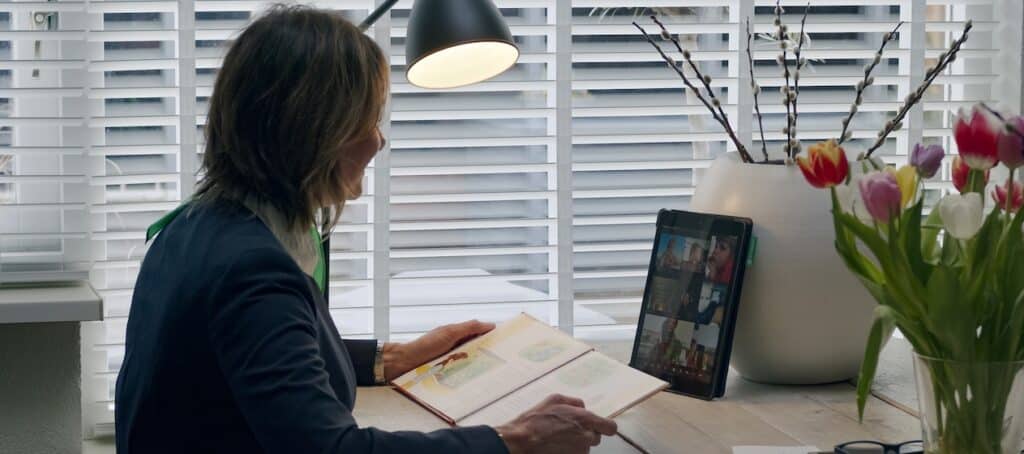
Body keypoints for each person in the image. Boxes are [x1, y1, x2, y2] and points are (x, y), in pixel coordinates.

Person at [114, 6, 615, 454]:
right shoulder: (252, 270)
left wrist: (394, 358)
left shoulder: (197, 226)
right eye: (367, 119)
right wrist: (516, 440)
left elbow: (265, 361)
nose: (378, 141)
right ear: (313, 132)